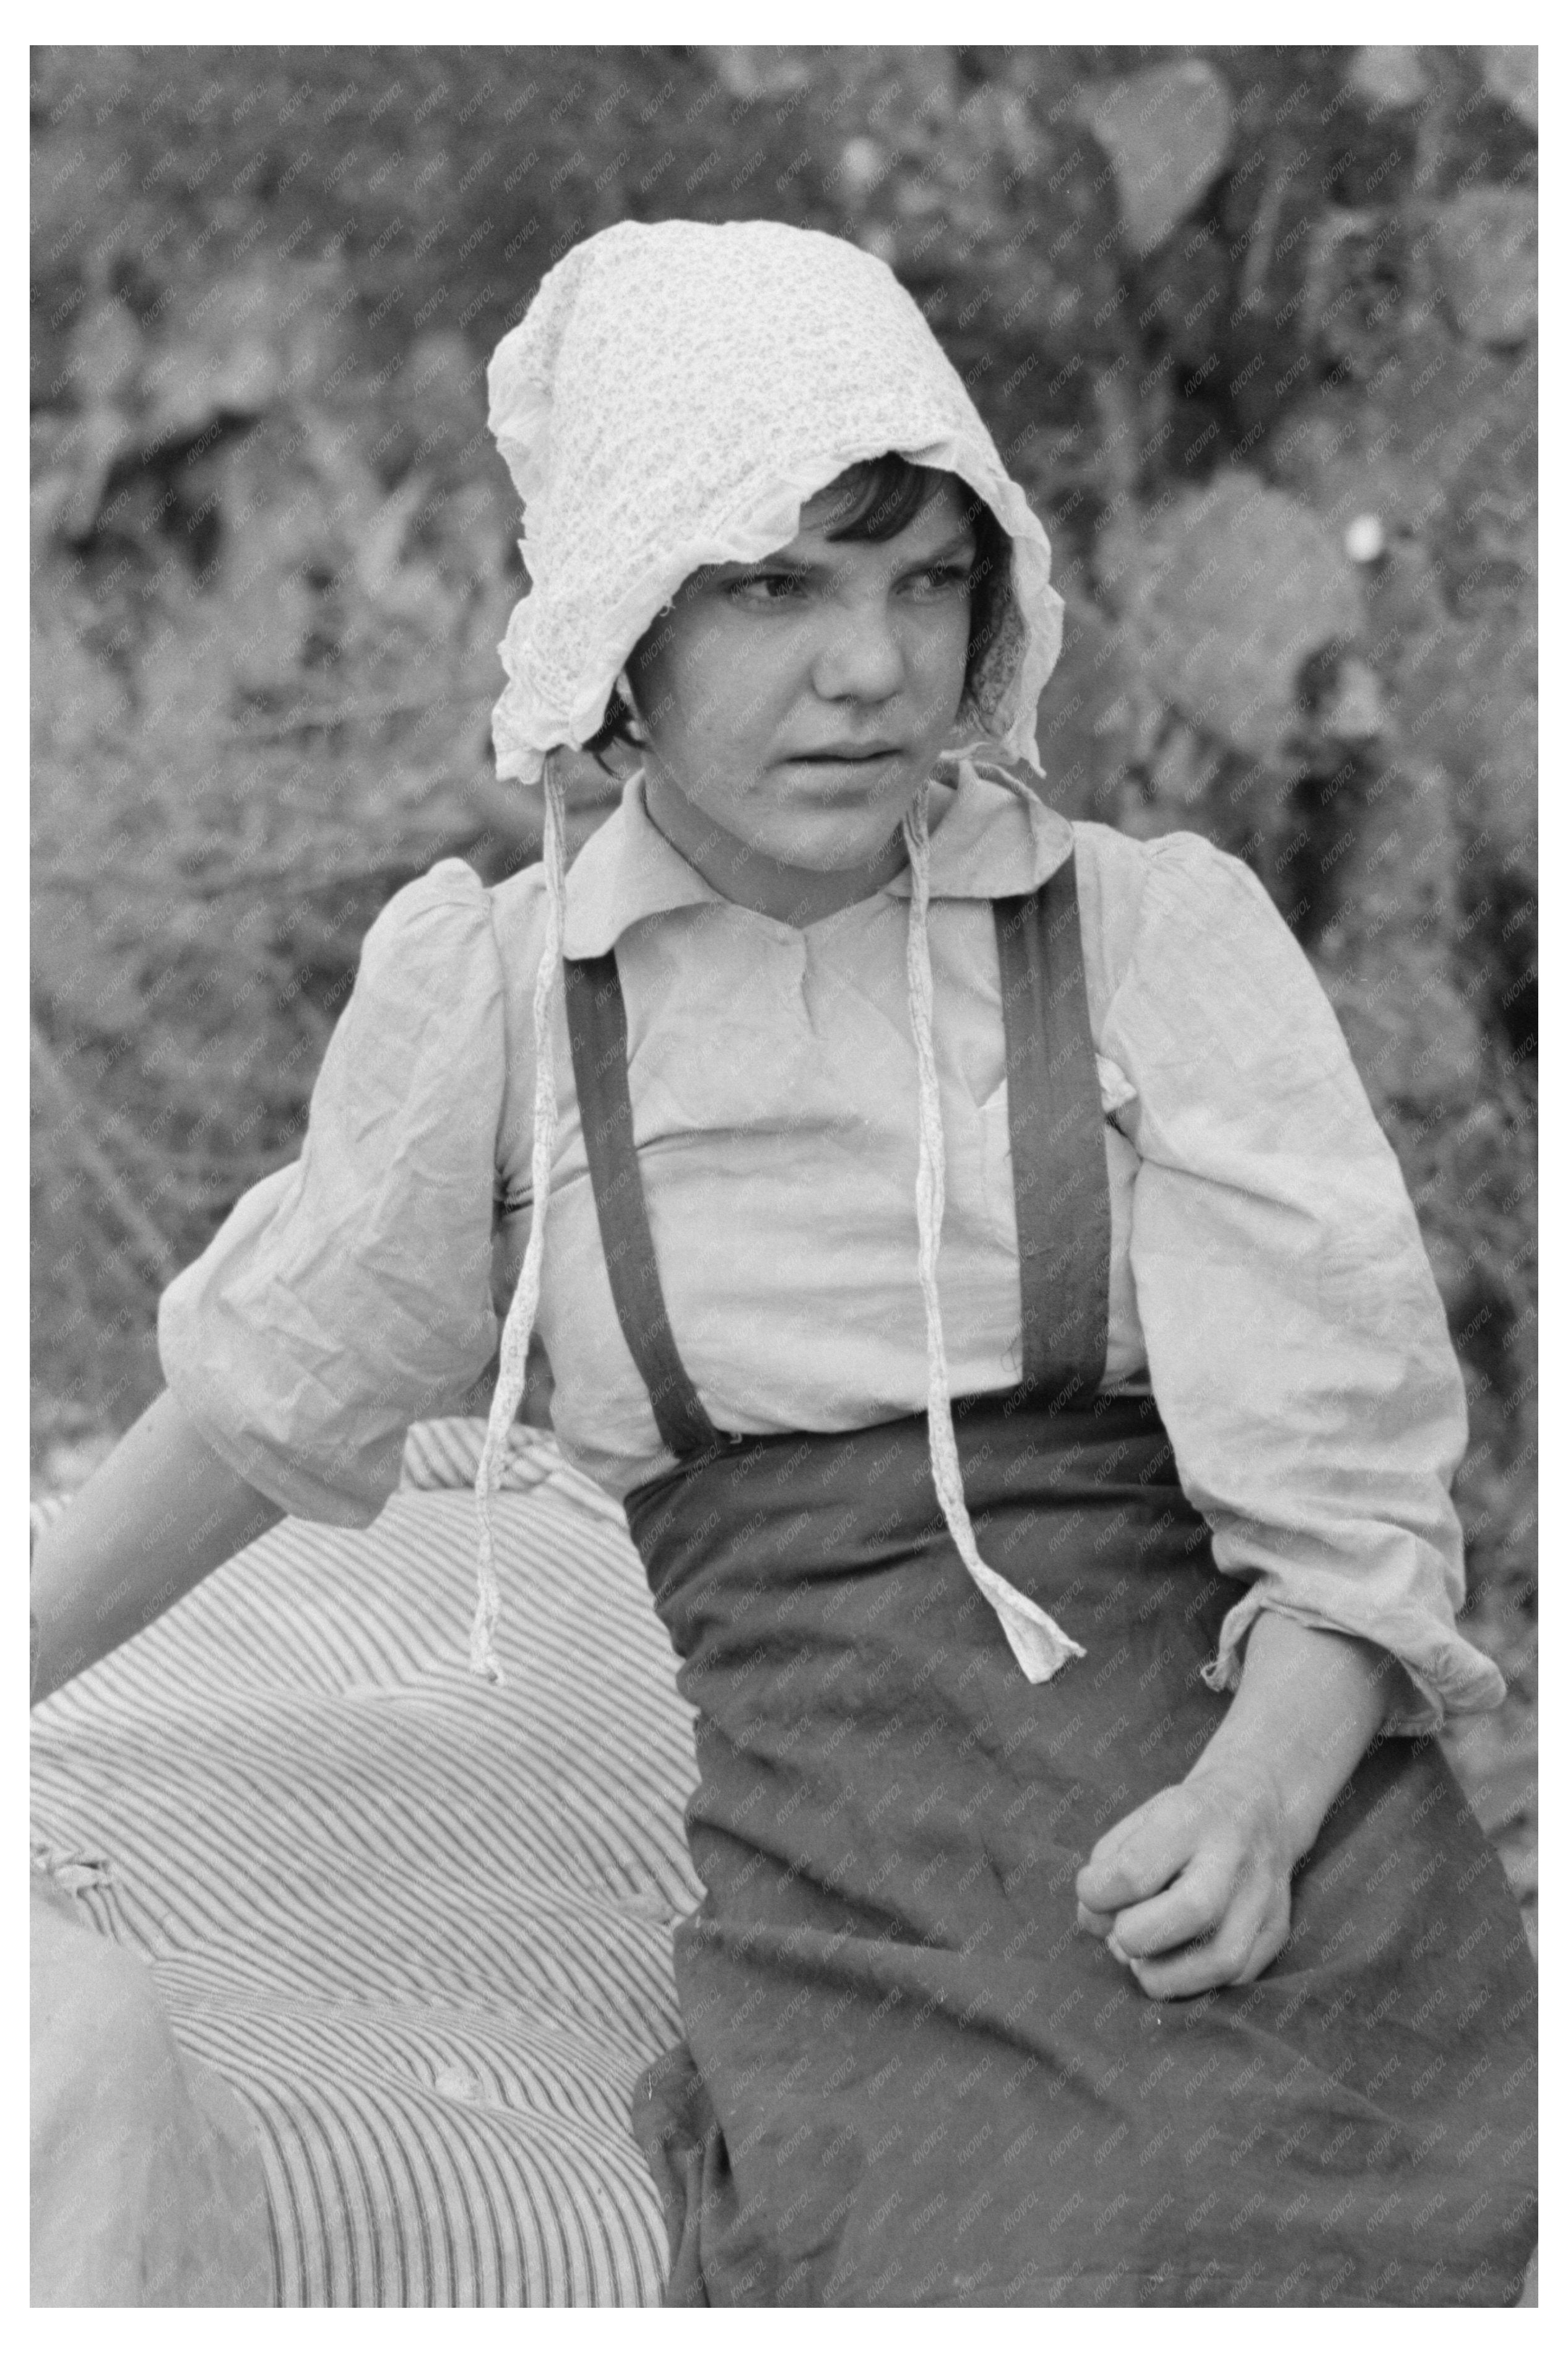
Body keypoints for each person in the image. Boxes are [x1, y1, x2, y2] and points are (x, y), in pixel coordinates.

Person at [31, 217, 1536, 2307]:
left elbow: (1353, 1514)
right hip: (857, 1874)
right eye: (777, 587)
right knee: (998, 2249)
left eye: (929, 581)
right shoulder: (503, 1004)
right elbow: (268, 1393)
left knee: (1380, 2230)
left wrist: (1263, 1809)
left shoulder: (1143, 944)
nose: (874, 668)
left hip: (1239, 1791)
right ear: (623, 633)